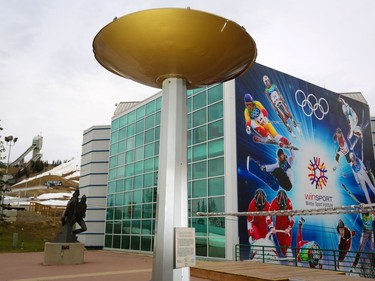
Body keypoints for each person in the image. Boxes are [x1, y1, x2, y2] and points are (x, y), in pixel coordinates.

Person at [268, 190, 294, 256]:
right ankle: (285, 254)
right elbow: (268, 216)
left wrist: (289, 228)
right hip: (278, 225)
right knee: (282, 246)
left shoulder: (289, 202)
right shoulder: (274, 201)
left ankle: (289, 256)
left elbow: (292, 219)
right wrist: (271, 227)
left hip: (286, 225)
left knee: (288, 244)